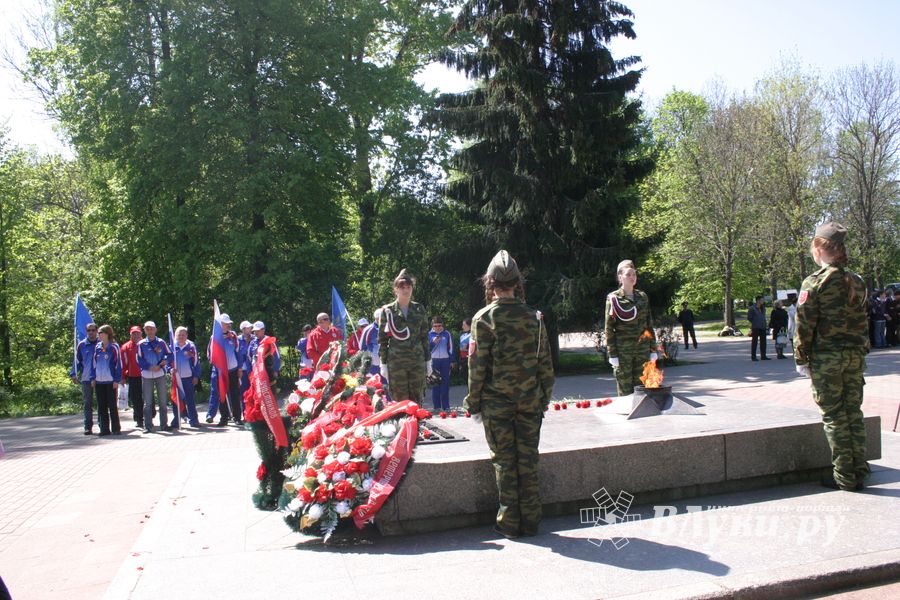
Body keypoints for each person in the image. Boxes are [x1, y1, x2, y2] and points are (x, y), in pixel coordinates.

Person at [464, 250, 555, 538]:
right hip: (529, 401)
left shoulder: (484, 318)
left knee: (504, 461)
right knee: (528, 459)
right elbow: (545, 364)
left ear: (490, 283)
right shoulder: (533, 317)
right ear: (517, 282)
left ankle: (509, 522)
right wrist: (543, 398)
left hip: (496, 404)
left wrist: (473, 402)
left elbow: (477, 367)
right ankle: (531, 520)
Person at [794, 222, 869, 491]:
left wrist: (801, 359)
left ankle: (845, 477)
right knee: (853, 413)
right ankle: (859, 469)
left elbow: (803, 325)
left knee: (835, 417)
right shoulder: (857, 280)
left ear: (819, 249)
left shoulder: (815, 282)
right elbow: (863, 322)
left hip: (827, 360)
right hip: (854, 357)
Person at [604, 260, 658, 396]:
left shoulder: (642, 297)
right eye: (628, 274)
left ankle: (640, 414)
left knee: (642, 388)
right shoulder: (614, 298)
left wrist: (653, 349)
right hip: (624, 351)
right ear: (620, 277)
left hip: (642, 349)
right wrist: (613, 354)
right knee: (625, 389)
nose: (632, 277)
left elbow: (648, 324)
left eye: (634, 274)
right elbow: (609, 328)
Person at [378, 269, 430, 402]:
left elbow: (424, 337)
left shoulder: (419, 309)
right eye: (402, 288)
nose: (406, 290)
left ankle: (416, 423)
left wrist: (428, 361)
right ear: (396, 289)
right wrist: (383, 363)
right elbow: (382, 340)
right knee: (399, 401)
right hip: (396, 363)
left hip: (416, 362)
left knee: (416, 399)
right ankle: (402, 424)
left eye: (409, 287)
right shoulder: (388, 311)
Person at [136, 321, 172, 433]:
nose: (150, 331)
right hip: (147, 375)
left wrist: (164, 362)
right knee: (148, 403)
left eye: (151, 328)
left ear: (155, 330)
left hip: (160, 374)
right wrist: (149, 367)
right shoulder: (141, 344)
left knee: (162, 401)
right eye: (147, 329)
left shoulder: (161, 342)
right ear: (144, 330)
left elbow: (170, 354)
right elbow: (139, 359)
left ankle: (164, 425)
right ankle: (148, 426)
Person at [89, 324, 122, 436]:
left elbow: (118, 364)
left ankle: (116, 428)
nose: (99, 335)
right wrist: (93, 378)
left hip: (110, 380)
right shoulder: (98, 347)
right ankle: (104, 429)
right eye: (98, 333)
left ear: (107, 334)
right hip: (99, 381)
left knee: (112, 405)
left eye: (100, 333)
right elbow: (93, 364)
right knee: (101, 406)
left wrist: (116, 380)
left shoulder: (114, 347)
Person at [212, 313, 244, 426]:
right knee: (222, 395)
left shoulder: (234, 336)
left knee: (235, 394)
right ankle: (224, 418)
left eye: (229, 324)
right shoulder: (214, 337)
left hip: (233, 370)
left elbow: (239, 352)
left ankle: (237, 417)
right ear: (221, 325)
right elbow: (210, 355)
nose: (229, 325)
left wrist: (240, 368)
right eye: (226, 324)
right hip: (221, 372)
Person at [70, 322, 100, 435]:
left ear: (97, 331)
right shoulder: (82, 345)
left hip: (100, 378)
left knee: (101, 403)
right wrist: (73, 373)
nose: (91, 332)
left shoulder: (101, 344)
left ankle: (103, 425)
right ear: (86, 332)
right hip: (86, 379)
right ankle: (88, 427)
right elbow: (77, 360)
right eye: (89, 330)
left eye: (93, 330)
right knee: (87, 403)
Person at [172, 326, 202, 428]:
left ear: (186, 336)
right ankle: (176, 421)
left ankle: (194, 420)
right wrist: (170, 370)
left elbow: (196, 363)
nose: (181, 336)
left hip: (189, 378)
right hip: (176, 378)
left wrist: (196, 376)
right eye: (179, 335)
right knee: (176, 401)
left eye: (183, 335)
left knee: (190, 400)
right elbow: (167, 361)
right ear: (175, 336)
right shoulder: (172, 347)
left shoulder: (191, 347)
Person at [119, 326, 145, 428]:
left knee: (147, 398)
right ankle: (139, 419)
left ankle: (149, 415)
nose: (136, 335)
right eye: (133, 334)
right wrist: (123, 377)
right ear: (130, 335)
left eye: (137, 333)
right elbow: (123, 364)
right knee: (135, 398)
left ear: (141, 334)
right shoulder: (125, 347)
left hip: (146, 376)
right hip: (132, 376)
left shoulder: (145, 344)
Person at [428, 316, 455, 412]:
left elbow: (451, 348)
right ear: (432, 326)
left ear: (442, 325)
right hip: (434, 362)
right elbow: (427, 350)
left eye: (439, 325)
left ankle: (446, 406)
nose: (438, 328)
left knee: (445, 384)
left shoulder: (447, 334)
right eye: (435, 326)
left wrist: (452, 360)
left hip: (445, 361)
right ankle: (437, 407)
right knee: (435, 384)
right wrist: (433, 342)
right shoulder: (429, 334)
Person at [248, 320, 281, 386]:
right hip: (257, 373)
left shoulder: (270, 341)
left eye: (257, 331)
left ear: (263, 330)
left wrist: (276, 370)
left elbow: (277, 356)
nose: (255, 333)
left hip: (269, 372)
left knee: (270, 393)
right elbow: (249, 356)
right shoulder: (252, 342)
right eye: (254, 331)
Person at [359, 309, 382, 375]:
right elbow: (362, 347)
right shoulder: (368, 329)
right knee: (373, 383)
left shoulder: (388, 327)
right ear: (376, 318)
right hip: (373, 363)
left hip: (386, 362)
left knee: (386, 383)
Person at [747, 295, 769, 361]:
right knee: (755, 342)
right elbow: (749, 318)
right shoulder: (752, 308)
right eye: (762, 300)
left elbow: (763, 317)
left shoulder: (763, 308)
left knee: (763, 342)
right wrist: (755, 322)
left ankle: (763, 355)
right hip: (755, 327)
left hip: (763, 326)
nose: (763, 301)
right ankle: (753, 356)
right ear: (758, 300)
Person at [238, 320, 254, 396]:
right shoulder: (237, 340)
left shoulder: (254, 339)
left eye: (251, 327)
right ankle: (245, 408)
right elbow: (239, 354)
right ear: (243, 329)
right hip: (243, 371)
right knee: (244, 393)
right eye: (248, 327)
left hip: (253, 370)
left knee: (254, 392)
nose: (251, 329)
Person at [458, 317, 472, 383]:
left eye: (464, 325)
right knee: (465, 378)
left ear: (469, 326)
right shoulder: (462, 335)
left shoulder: (474, 335)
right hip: (463, 359)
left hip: (470, 359)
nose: (462, 327)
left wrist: (467, 347)